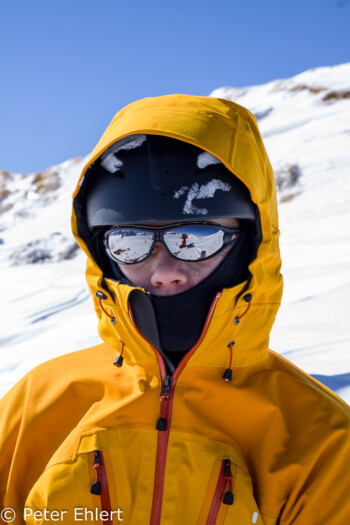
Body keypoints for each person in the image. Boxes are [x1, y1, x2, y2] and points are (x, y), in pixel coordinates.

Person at [0, 94, 349, 525]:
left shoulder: (319, 437)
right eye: (130, 242)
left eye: (195, 237)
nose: (164, 272)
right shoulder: (37, 405)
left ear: (250, 244)